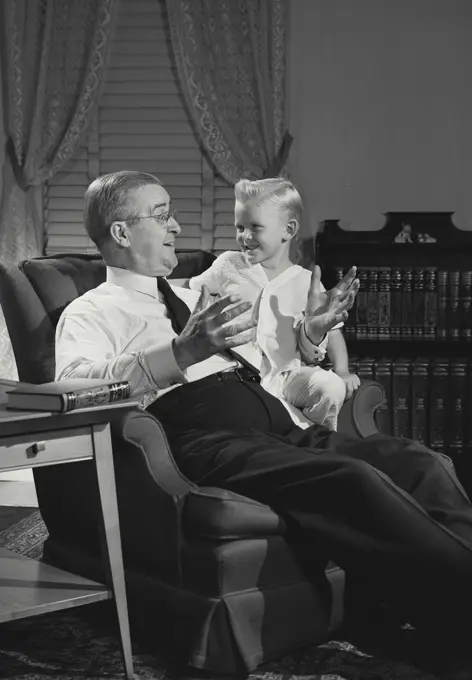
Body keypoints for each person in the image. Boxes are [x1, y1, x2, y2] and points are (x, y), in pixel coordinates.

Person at [56, 171, 472, 642]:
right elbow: (73, 387)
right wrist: (180, 354)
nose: (176, 226)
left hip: (275, 424)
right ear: (121, 232)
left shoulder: (196, 295)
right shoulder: (93, 310)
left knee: (416, 462)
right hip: (202, 437)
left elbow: (275, 358)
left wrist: (312, 331)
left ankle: (447, 603)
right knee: (353, 481)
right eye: (162, 214)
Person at [188, 177, 360, 431]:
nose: (245, 236)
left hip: (287, 374)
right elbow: (190, 294)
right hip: (235, 374)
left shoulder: (306, 282)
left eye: (255, 227)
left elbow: (332, 335)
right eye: (239, 227)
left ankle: (317, 443)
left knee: (329, 386)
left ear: (288, 230)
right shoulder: (228, 265)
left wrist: (343, 371)